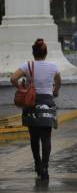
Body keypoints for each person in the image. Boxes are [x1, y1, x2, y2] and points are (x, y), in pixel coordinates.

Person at [10, 39, 61, 181]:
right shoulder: (53, 67)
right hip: (47, 104)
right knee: (46, 137)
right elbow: (58, 83)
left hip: (31, 103)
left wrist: (22, 88)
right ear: (46, 53)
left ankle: (37, 164)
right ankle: (45, 167)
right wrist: (55, 91)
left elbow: (13, 78)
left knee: (34, 137)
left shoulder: (27, 65)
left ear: (33, 53)